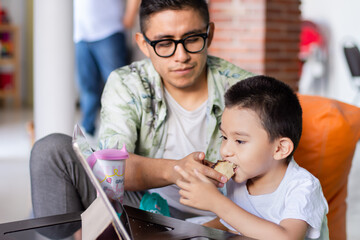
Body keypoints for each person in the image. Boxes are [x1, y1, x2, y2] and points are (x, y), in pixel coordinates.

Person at [30, 0, 254, 237]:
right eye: (164, 43)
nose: (181, 56)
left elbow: (270, 178)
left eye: (192, 39)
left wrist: (213, 225)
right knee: (50, 151)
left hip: (226, 215)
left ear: (209, 35)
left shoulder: (247, 90)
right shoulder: (127, 83)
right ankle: (78, 233)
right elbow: (112, 171)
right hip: (144, 206)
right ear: (144, 44)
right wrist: (175, 170)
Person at [174, 75, 329, 239]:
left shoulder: (302, 187)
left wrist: (216, 203)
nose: (225, 150)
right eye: (224, 137)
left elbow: (287, 237)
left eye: (240, 141)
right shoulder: (240, 177)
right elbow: (235, 224)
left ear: (280, 149)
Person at [74, 0, 140, 136]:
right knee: (87, 87)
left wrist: (130, 15)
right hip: (81, 33)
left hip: (109, 31)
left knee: (118, 86)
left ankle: (124, 131)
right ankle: (88, 129)